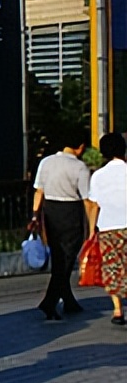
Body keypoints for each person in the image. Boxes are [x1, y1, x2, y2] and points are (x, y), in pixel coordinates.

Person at [29, 126, 91, 320]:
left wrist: (34, 216)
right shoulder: (79, 167)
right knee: (67, 259)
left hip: (50, 212)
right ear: (80, 146)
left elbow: (39, 191)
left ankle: (68, 300)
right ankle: (50, 300)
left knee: (58, 257)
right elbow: (87, 199)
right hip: (71, 212)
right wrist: (91, 226)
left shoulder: (46, 162)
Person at [84, 132, 127, 325]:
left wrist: (92, 229)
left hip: (108, 227)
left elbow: (94, 205)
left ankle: (118, 309)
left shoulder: (98, 176)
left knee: (112, 267)